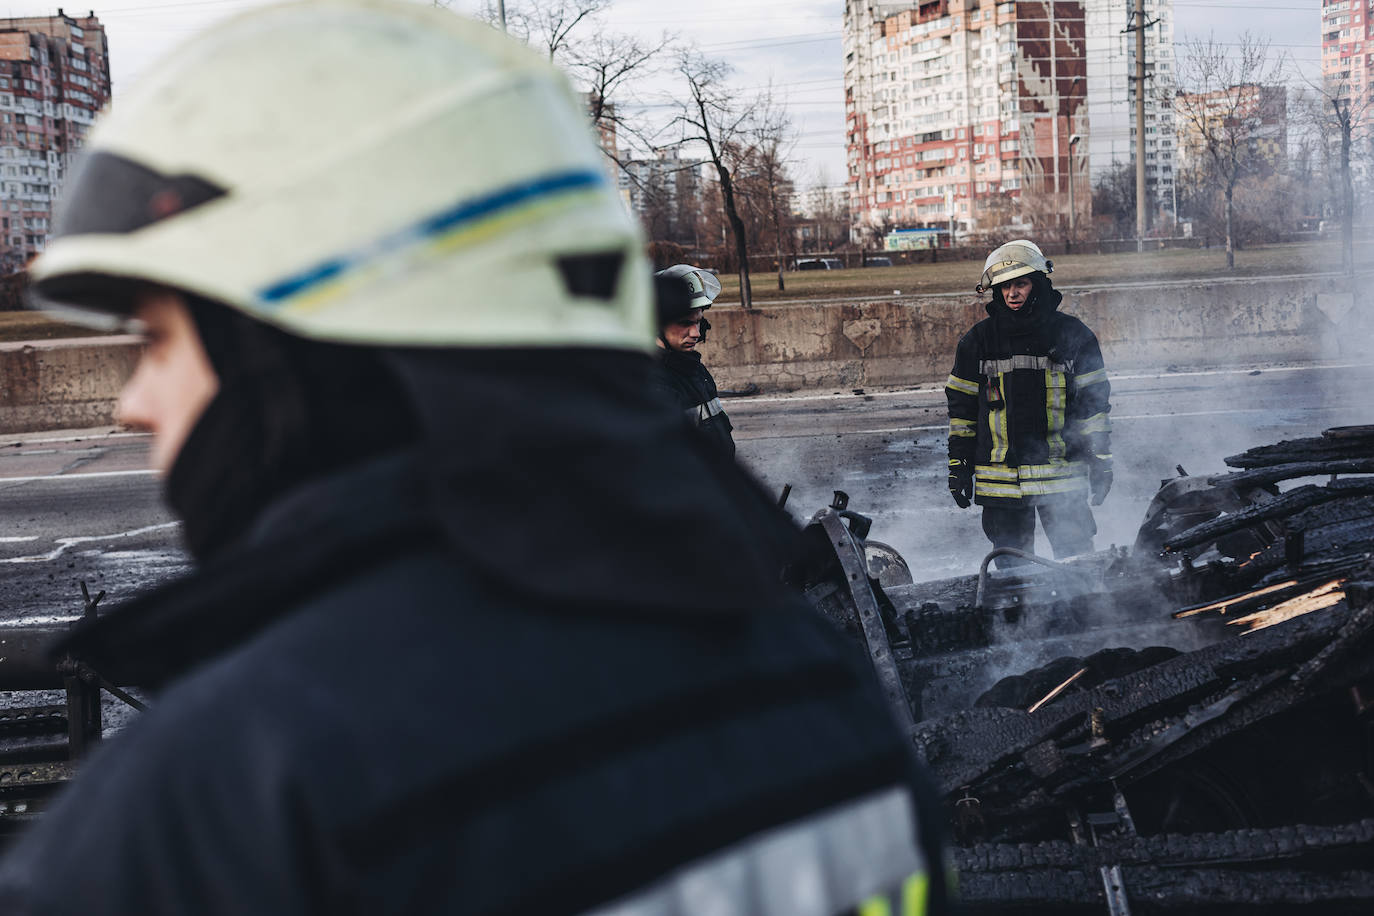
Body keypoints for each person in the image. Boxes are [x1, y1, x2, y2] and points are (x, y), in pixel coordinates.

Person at [0, 3, 948, 914]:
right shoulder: (809, 683)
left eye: (160, 341)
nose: (132, 404)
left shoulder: (223, 809)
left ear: (301, 349)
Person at [945, 239, 1112, 564]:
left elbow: (1094, 408)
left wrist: (1102, 460)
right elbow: (961, 414)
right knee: (1013, 582)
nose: (1012, 294)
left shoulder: (1074, 336)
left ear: (1037, 283)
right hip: (1002, 489)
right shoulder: (978, 342)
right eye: (1005, 286)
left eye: (1020, 283)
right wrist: (959, 466)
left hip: (1062, 482)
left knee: (1079, 570)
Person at [651, 263, 735, 457]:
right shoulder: (652, 384)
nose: (696, 333)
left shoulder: (696, 371)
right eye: (685, 323)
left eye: (698, 322)